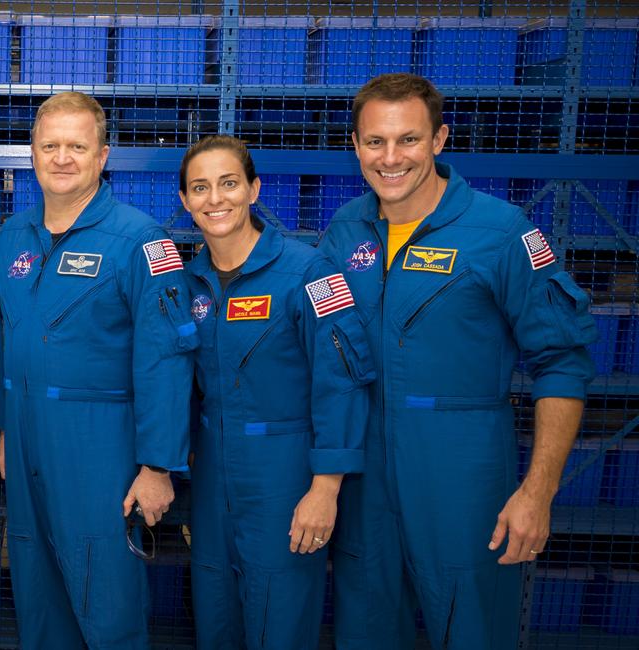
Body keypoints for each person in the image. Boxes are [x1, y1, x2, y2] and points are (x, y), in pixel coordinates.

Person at [317, 73, 597, 649]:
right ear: (356, 146)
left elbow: (563, 362)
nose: (390, 158)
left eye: (409, 140)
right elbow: (320, 350)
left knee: (471, 628)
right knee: (366, 627)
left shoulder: (500, 232)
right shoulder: (344, 231)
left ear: (440, 139)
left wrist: (537, 492)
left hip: (462, 472)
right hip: (364, 475)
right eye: (375, 142)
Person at [0, 91, 198, 648]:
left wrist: (157, 465)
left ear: (102, 156)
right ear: (31, 153)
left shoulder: (141, 241)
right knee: (37, 591)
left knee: (106, 598)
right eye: (50, 145)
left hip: (101, 447)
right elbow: (8, 338)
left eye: (76, 146)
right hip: (28, 440)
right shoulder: (12, 236)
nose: (62, 158)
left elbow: (167, 359)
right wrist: (7, 429)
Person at [178, 135, 374, 649]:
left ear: (253, 189)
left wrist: (325, 488)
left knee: (280, 622)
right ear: (185, 200)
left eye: (228, 184)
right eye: (200, 188)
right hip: (212, 474)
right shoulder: (189, 282)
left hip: (284, 478)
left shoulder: (307, 271)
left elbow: (342, 383)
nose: (214, 199)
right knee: (215, 616)